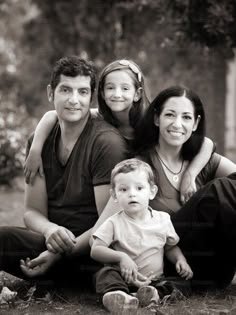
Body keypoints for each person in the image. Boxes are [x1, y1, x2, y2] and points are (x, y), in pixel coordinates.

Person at [0, 56, 128, 285]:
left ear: (91, 97)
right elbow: (31, 211)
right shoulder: (38, 143)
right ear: (51, 93)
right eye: (66, 90)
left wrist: (60, 252)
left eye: (82, 92)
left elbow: (109, 223)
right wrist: (50, 230)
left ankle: (99, 281)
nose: (74, 100)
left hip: (93, 251)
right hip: (49, 246)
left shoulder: (106, 143)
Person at [24, 59, 214, 203]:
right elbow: (52, 115)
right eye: (110, 88)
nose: (117, 94)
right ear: (102, 93)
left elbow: (206, 143)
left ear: (137, 93)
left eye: (125, 88)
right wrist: (35, 150)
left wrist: (190, 175)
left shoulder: (149, 120)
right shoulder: (102, 117)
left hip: (158, 180)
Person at [134, 85, 236, 290]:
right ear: (156, 118)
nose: (177, 124)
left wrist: (191, 174)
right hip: (171, 258)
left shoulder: (202, 160)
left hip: (213, 261)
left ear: (196, 123)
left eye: (187, 117)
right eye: (170, 115)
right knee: (219, 191)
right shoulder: (141, 166)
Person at [91, 158, 193, 314]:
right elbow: (96, 250)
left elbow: (170, 247)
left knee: (183, 284)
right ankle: (118, 296)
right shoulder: (113, 222)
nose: (132, 194)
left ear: (152, 192)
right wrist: (121, 257)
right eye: (124, 190)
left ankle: (152, 294)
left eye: (139, 188)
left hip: (154, 280)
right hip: (123, 278)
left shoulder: (163, 219)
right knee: (104, 274)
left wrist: (180, 260)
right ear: (114, 195)